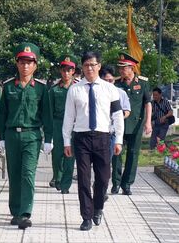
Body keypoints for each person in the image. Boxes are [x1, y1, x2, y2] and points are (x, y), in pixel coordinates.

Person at [63, 51, 124, 231]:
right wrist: (66, 141)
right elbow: (69, 117)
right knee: (83, 179)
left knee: (104, 178)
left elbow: (118, 116)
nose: (90, 68)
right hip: (81, 138)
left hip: (103, 137)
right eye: (87, 65)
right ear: (82, 67)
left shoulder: (110, 89)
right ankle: (86, 216)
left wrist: (119, 139)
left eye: (93, 64)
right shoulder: (75, 89)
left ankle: (98, 207)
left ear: (99, 66)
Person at [0, 42, 53, 230]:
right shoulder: (8, 87)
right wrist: (1, 137)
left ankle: (25, 213)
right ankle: (16, 211)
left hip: (32, 136)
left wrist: (48, 139)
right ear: (17, 63)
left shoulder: (42, 88)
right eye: (22, 62)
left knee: (28, 174)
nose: (25, 66)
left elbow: (47, 115)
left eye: (29, 62)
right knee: (14, 174)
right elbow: (2, 113)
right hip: (12, 136)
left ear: (35, 65)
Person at [112, 52, 152, 196]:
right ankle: (116, 183)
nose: (122, 70)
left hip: (136, 125)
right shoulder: (116, 84)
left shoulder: (142, 83)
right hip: (119, 125)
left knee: (133, 155)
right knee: (116, 154)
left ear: (132, 68)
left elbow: (148, 103)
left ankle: (127, 184)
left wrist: (148, 122)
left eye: (125, 67)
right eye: (120, 68)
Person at [48, 55, 78, 194]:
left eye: (69, 70)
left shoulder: (78, 88)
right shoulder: (54, 90)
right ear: (60, 71)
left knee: (70, 154)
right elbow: (49, 110)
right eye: (64, 70)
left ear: (73, 71)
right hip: (58, 123)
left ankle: (66, 184)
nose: (66, 73)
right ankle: (58, 178)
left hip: (74, 125)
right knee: (57, 154)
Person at [99, 65, 131, 158]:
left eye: (111, 80)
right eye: (106, 81)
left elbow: (127, 110)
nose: (109, 83)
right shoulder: (94, 92)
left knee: (106, 161)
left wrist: (119, 116)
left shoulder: (121, 93)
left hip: (112, 131)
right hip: (96, 132)